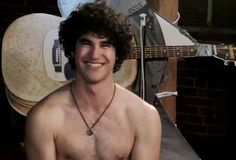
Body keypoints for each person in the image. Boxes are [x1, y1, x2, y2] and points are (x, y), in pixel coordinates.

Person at [24, 1, 161, 160]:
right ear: (72, 50)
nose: (95, 54)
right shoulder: (44, 118)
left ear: (117, 53)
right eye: (86, 43)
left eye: (105, 44)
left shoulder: (144, 116)